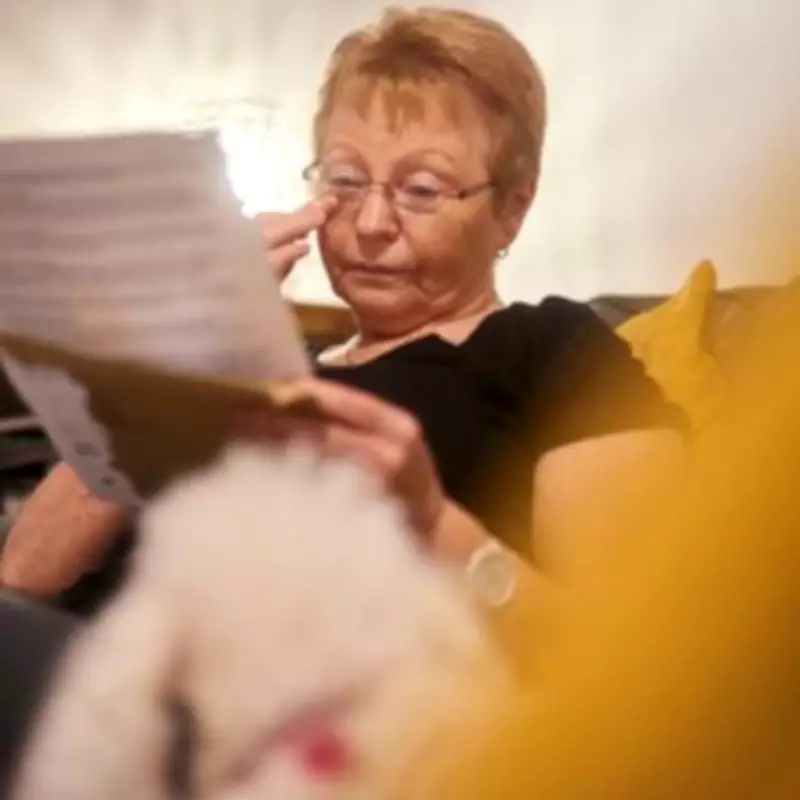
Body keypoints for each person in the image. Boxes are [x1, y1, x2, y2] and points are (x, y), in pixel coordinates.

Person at [0, 8, 684, 633]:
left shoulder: (553, 350)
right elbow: (25, 572)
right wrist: (189, 339)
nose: (372, 223)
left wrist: (432, 525)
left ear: (511, 208)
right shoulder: (256, 359)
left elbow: (620, 657)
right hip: (92, 664)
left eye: (421, 189)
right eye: (346, 180)